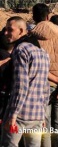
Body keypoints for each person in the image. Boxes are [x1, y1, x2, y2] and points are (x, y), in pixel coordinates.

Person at [1, 16, 50, 147]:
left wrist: (13, 115)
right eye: (5, 29)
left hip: (20, 113)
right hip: (37, 115)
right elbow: (45, 87)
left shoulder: (20, 49)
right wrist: (43, 114)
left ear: (21, 31)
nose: (6, 33)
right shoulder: (43, 53)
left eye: (10, 30)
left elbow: (21, 85)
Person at [30, 3, 58, 147]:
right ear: (48, 16)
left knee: (44, 126)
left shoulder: (32, 37)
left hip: (41, 86)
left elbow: (34, 65)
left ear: (34, 17)